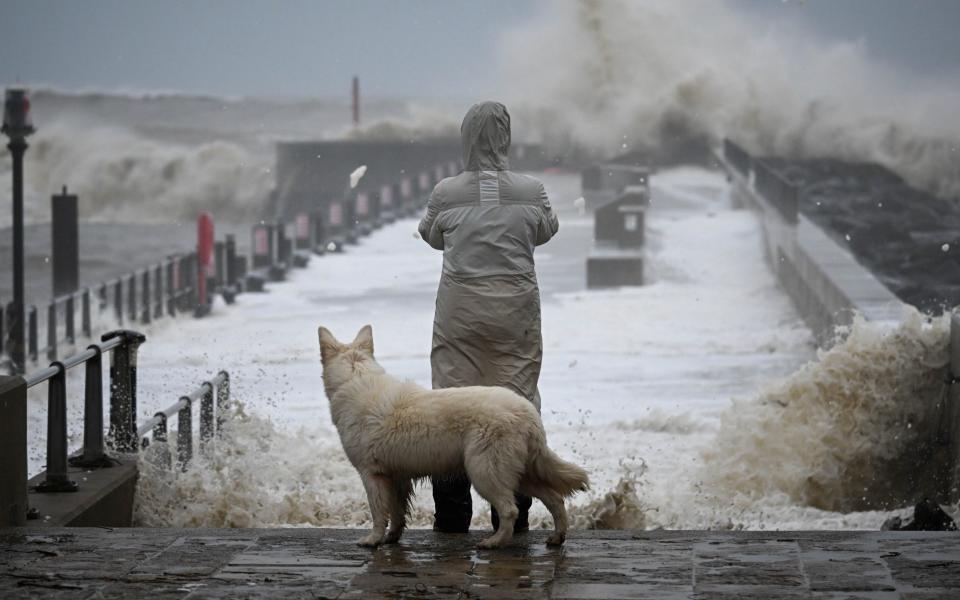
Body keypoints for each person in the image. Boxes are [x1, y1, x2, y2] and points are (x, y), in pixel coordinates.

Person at [417, 101, 559, 533]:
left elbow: (431, 235)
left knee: (452, 409)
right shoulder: (532, 190)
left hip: (461, 315)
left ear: (466, 139)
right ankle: (511, 523)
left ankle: (452, 520)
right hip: (514, 313)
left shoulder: (446, 192)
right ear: (506, 138)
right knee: (513, 408)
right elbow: (547, 230)